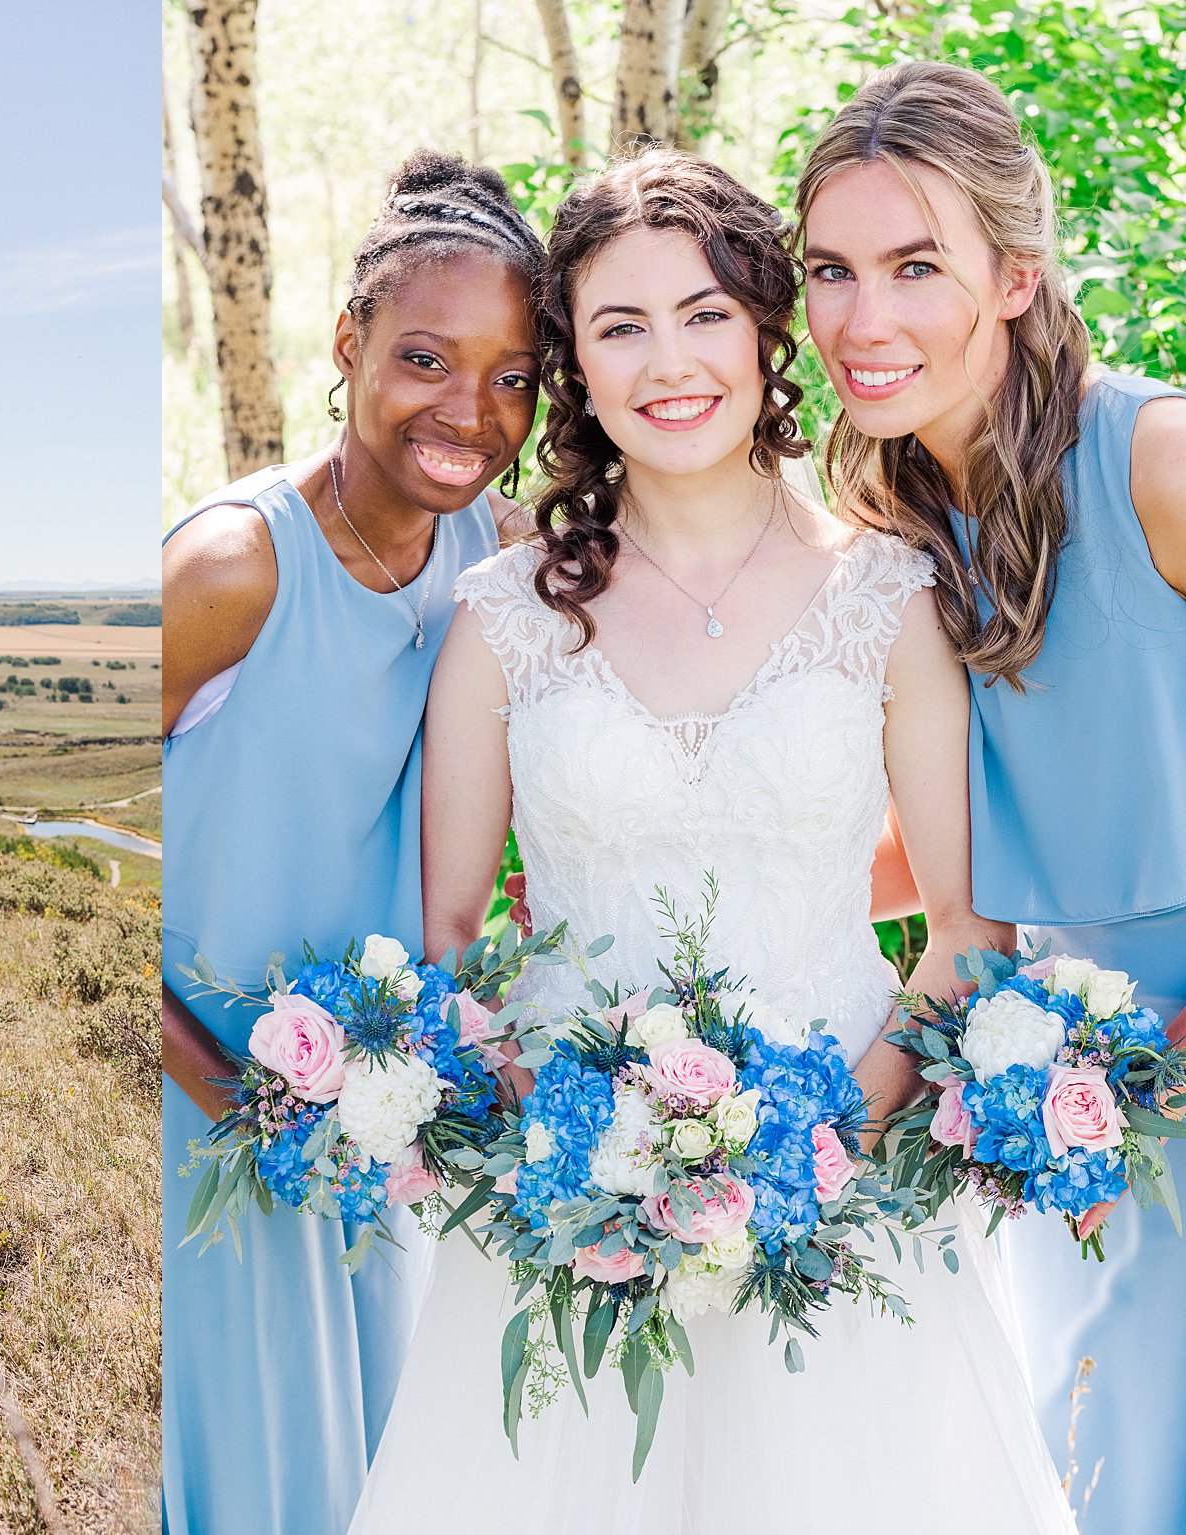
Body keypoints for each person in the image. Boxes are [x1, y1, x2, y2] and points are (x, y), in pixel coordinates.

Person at [348, 149, 1073, 1533]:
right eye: (620, 326)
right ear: (575, 363)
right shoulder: (503, 618)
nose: (667, 361)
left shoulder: (890, 590)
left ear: (762, 329)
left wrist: (802, 1150)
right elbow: (453, 942)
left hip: (842, 1199)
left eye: (703, 313)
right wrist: (586, 1160)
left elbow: (967, 934)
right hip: (573, 1215)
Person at [796, 59, 1186, 1535]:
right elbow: (963, 838)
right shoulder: (897, 523)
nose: (862, 319)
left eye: (914, 266)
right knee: (1084, 1443)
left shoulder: (1158, 457)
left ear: (1015, 275)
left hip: (1159, 1043)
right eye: (831, 270)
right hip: (1044, 1066)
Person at [161, 150, 544, 1534]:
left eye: (512, 378)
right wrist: (224, 1092)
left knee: (365, 1460)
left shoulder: (484, 552)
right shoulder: (231, 565)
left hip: (371, 1118)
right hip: (194, 1099)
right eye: (429, 359)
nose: (471, 409)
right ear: (349, 345)